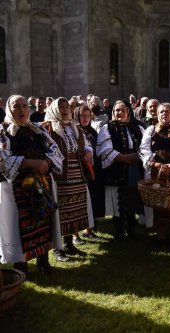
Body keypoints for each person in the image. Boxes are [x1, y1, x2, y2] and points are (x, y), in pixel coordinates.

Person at [0, 95, 63, 276]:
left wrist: (47, 163)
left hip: (41, 184)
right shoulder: (4, 131)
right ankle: (21, 266)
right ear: (9, 109)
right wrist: (30, 163)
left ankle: (43, 260)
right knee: (18, 225)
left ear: (29, 109)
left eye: (24, 106)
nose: (21, 110)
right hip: (16, 189)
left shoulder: (38, 130)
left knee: (43, 220)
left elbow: (55, 152)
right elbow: (3, 159)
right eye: (16, 107)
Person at [43, 97, 95, 262]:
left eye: (67, 107)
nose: (65, 110)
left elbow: (86, 145)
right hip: (59, 177)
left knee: (74, 211)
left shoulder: (75, 128)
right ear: (54, 109)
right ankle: (58, 250)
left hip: (76, 175)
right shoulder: (48, 128)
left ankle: (68, 244)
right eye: (61, 107)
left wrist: (88, 152)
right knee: (60, 213)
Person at [97, 99, 146, 240]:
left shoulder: (136, 128)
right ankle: (119, 231)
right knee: (118, 202)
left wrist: (138, 156)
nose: (120, 113)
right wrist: (125, 158)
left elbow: (144, 146)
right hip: (117, 169)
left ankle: (131, 229)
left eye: (123, 110)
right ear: (113, 112)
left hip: (134, 169)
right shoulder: (107, 128)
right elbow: (105, 150)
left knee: (132, 198)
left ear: (128, 112)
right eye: (117, 110)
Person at [139, 103, 170, 242]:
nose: (164, 114)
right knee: (159, 201)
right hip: (156, 172)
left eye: (167, 111)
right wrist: (155, 164)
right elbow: (144, 149)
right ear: (157, 114)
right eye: (161, 112)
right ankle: (159, 234)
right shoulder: (151, 130)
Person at [74, 104, 104, 238]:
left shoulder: (93, 131)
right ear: (77, 116)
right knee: (77, 202)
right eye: (82, 116)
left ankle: (88, 230)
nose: (85, 118)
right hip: (77, 170)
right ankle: (74, 234)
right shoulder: (74, 131)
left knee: (90, 200)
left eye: (88, 116)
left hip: (92, 171)